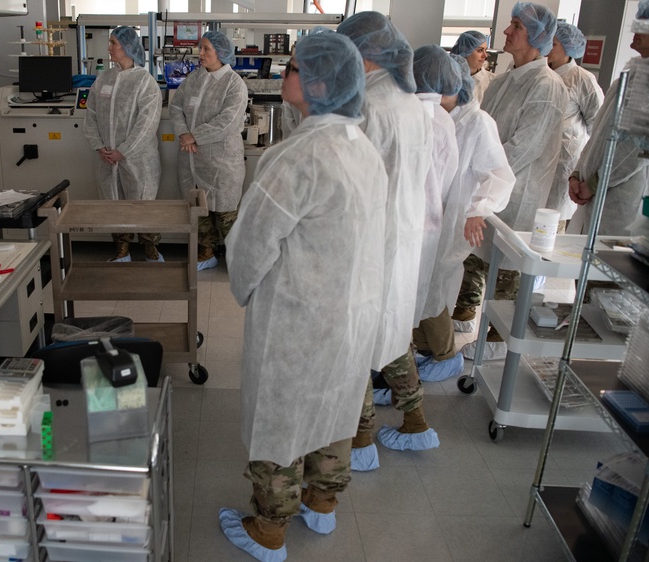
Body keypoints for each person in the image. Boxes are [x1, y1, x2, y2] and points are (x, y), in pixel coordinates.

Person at [219, 30, 387, 562]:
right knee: (333, 405)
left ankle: (269, 530)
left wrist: (243, 290)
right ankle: (323, 504)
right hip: (352, 311)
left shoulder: (296, 158)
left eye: (290, 68)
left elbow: (248, 246)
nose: (283, 75)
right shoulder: (365, 150)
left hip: (297, 314)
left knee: (283, 415)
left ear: (314, 83)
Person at [336, 12, 433, 467]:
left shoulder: (367, 107)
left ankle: (360, 442)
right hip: (403, 237)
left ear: (365, 55)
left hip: (370, 240)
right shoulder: (410, 103)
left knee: (355, 339)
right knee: (392, 331)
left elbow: (349, 185)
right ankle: (416, 422)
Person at [455, 2, 567, 361]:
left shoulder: (547, 87)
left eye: (515, 26)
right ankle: (467, 315)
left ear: (535, 37)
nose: (506, 32)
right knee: (476, 258)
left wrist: (483, 177)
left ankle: (498, 341)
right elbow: (481, 132)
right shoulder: (505, 79)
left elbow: (522, 149)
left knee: (507, 272)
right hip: (486, 188)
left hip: (517, 195)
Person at [415, 55, 515, 366]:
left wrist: (478, 210)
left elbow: (499, 175)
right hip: (431, 217)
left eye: (438, 90)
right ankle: (425, 348)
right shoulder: (436, 118)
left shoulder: (478, 122)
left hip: (455, 218)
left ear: (457, 89)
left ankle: (445, 356)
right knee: (422, 284)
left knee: (434, 285)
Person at [568, 0, 649, 236]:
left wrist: (595, 183)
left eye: (647, 23)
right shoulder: (628, 78)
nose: (636, 27)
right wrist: (578, 173)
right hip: (596, 191)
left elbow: (635, 150)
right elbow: (598, 137)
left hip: (625, 199)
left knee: (607, 266)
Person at [402, 44, 463, 387]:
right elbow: (448, 174)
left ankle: (399, 375)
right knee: (422, 293)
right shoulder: (442, 119)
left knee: (410, 299)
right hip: (428, 223)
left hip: (407, 225)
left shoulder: (407, 114)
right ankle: (412, 362)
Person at [170, 30, 248, 271]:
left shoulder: (234, 84)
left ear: (221, 54)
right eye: (200, 48)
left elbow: (227, 121)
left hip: (222, 161)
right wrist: (184, 134)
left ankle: (241, 262)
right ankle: (206, 253)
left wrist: (194, 135)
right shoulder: (194, 79)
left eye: (206, 49)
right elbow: (176, 107)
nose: (200, 53)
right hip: (192, 157)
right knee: (200, 209)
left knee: (225, 214)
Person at [84, 26, 164, 262]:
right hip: (107, 157)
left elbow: (147, 123)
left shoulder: (144, 82)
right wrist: (99, 146)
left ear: (128, 47)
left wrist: (124, 151)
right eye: (109, 43)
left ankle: (151, 251)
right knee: (113, 204)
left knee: (143, 203)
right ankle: (121, 251)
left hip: (138, 158)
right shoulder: (103, 79)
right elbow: (91, 115)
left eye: (113, 43)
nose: (108, 48)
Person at [544, 22, 604, 229]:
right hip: (540, 158)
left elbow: (598, 124)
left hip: (564, 161)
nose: (547, 47)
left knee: (551, 225)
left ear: (568, 48)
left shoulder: (581, 79)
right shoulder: (543, 75)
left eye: (553, 44)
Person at [450, 30, 495, 103]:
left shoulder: (493, 81)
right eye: (480, 50)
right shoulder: (450, 80)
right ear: (465, 51)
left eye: (485, 50)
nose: (485, 55)